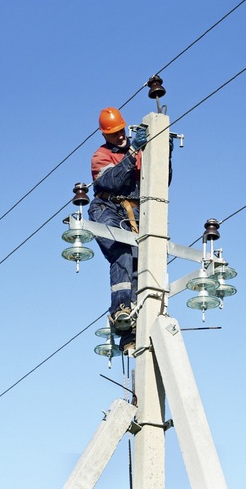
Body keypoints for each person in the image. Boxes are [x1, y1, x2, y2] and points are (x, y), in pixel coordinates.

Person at [88, 107, 148, 353]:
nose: (120, 136)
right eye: (114, 133)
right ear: (105, 135)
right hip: (106, 208)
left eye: (121, 130)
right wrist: (133, 151)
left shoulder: (141, 152)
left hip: (135, 213)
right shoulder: (100, 156)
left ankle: (131, 329)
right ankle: (122, 312)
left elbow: (161, 179)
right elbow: (112, 181)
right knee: (121, 251)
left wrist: (164, 154)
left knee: (142, 263)